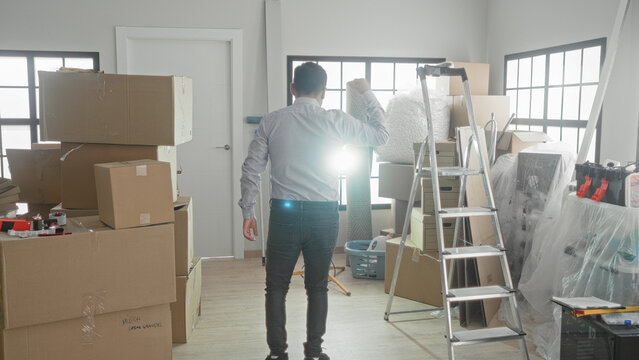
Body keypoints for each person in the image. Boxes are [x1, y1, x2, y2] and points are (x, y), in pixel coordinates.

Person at [238, 62, 388, 360]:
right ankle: (314, 353)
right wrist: (367, 93)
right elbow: (381, 135)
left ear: (293, 89)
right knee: (317, 287)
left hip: (285, 213)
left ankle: (278, 355)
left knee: (276, 288)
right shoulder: (336, 120)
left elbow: (250, 170)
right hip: (324, 215)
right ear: (324, 91)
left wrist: (248, 211)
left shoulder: (272, 121)